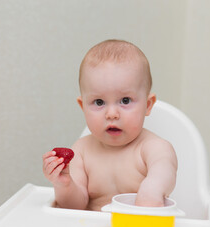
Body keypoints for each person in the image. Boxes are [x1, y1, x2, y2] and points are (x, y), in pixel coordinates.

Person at [42, 39, 177, 211]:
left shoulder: (155, 148)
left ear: (148, 105)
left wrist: (152, 189)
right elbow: (75, 206)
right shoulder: (82, 151)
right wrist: (64, 184)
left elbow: (165, 172)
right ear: (83, 107)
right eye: (99, 102)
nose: (111, 113)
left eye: (125, 100)